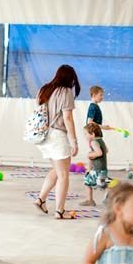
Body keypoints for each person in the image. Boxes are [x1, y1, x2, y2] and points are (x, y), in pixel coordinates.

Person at [32, 64, 81, 220]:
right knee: (63, 175)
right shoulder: (65, 92)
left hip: (44, 136)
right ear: (70, 79)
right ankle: (60, 211)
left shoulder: (45, 89)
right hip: (57, 136)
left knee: (56, 170)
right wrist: (74, 142)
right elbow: (67, 119)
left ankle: (41, 200)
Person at [81, 123, 109, 207]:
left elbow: (99, 153)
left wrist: (90, 154)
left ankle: (111, 194)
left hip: (98, 169)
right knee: (88, 181)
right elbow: (106, 150)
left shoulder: (93, 142)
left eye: (86, 134)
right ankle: (90, 200)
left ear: (92, 134)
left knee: (101, 184)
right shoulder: (100, 140)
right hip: (101, 169)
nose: (85, 136)